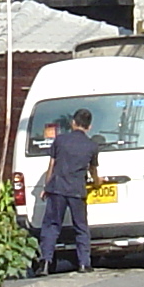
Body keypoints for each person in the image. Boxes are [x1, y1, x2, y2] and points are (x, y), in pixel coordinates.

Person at [36, 106, 102, 274]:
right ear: (89, 127)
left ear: (73, 123)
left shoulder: (60, 140)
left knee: (51, 225)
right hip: (77, 190)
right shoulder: (91, 146)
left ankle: (45, 262)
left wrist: (47, 186)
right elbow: (93, 170)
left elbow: (52, 164)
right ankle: (84, 263)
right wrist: (97, 182)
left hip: (57, 188)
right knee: (80, 227)